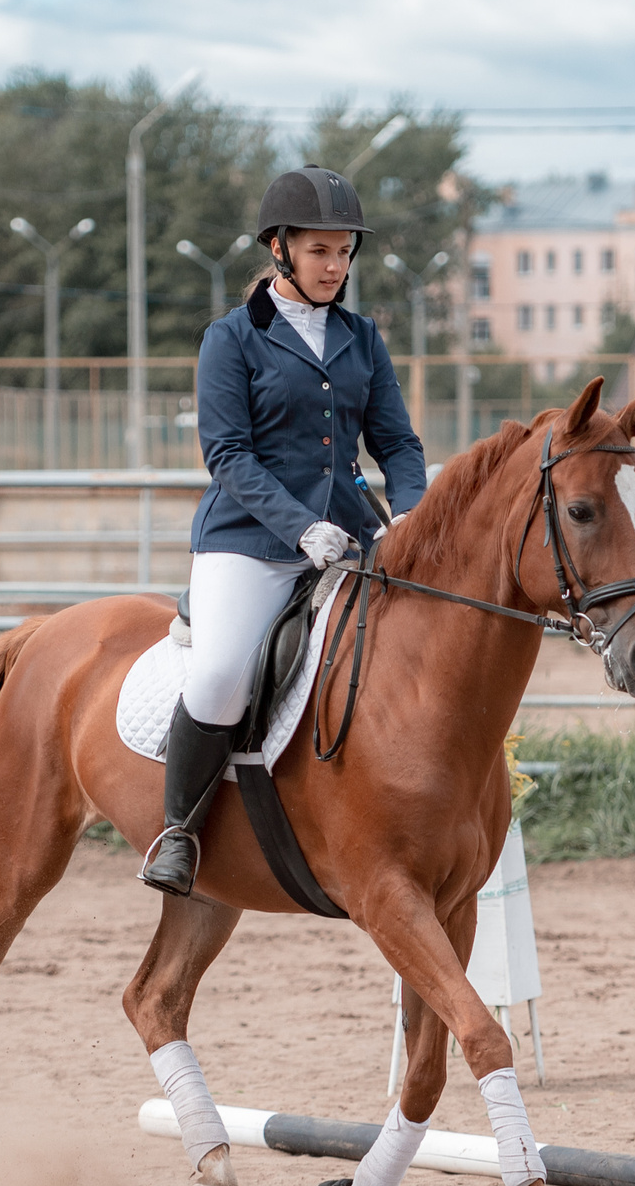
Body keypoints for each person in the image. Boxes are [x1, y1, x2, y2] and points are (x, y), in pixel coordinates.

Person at [137, 164, 429, 896]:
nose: (335, 266)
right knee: (222, 671)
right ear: (279, 248)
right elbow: (227, 454)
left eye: (343, 252)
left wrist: (416, 514)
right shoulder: (232, 339)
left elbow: (396, 443)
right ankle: (179, 833)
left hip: (352, 540)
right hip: (250, 542)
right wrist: (301, 527)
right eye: (320, 251)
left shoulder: (362, 339)